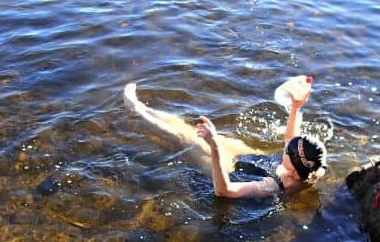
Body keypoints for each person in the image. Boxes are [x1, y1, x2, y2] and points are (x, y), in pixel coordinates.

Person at [123, 81, 327, 198]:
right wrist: (296, 106)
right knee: (190, 130)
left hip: (231, 172)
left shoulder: (272, 186)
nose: (287, 145)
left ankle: (137, 111)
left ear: (295, 167)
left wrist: (214, 148)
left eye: (288, 151)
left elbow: (225, 191)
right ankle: (146, 109)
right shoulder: (310, 168)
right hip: (251, 158)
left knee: (187, 138)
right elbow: (291, 139)